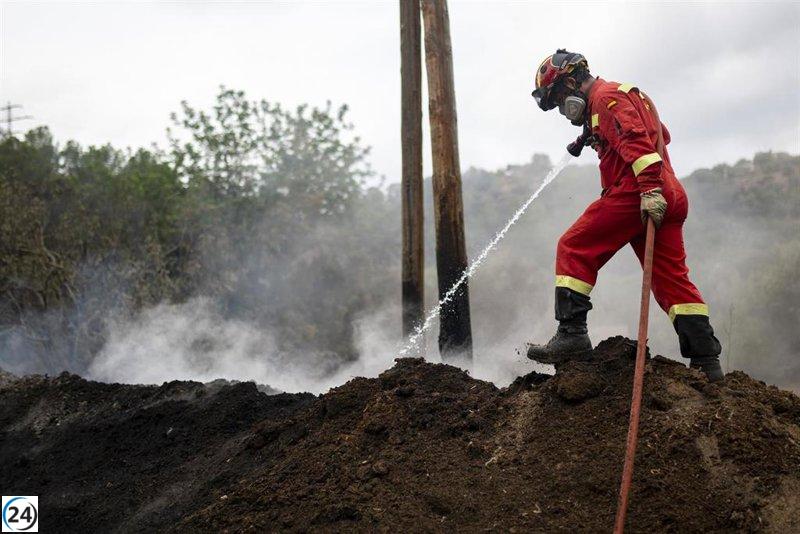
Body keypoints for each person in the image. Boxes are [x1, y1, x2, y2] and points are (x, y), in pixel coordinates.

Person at [526, 49, 723, 381]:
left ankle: (572, 334)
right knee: (672, 282)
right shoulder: (618, 98)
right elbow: (661, 133)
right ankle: (707, 362)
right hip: (670, 192)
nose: (561, 110)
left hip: (638, 191)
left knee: (573, 246)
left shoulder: (607, 98)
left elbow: (637, 143)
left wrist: (647, 189)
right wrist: (595, 134)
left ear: (572, 82)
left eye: (559, 99)